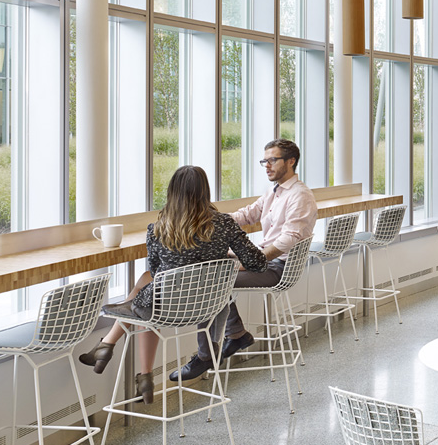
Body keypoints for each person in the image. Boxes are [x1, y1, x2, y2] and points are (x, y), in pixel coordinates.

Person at [77, 166, 267, 404]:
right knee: (145, 289)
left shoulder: (157, 229)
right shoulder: (224, 224)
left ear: (172, 193)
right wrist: (226, 262)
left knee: (145, 289)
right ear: (204, 192)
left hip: (166, 309)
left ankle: (120, 356)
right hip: (209, 305)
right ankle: (120, 357)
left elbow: (157, 273)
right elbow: (258, 263)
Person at [172, 139, 317, 382]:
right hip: (266, 261)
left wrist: (252, 261)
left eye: (273, 160)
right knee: (213, 269)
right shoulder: (274, 192)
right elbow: (246, 214)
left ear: (291, 161)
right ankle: (236, 334)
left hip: (278, 267)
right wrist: (206, 219)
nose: (267, 165)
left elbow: (288, 240)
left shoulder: (299, 196)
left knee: (212, 281)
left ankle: (208, 353)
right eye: (265, 161)